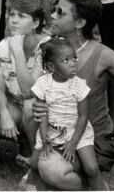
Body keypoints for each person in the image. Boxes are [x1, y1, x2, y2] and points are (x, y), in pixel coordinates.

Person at [0, 0, 48, 165]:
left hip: (47, 109)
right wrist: (4, 115)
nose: (14, 20)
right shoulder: (3, 46)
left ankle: (38, 159)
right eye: (12, 15)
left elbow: (29, 91)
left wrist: (18, 51)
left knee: (29, 105)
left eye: (21, 16)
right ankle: (26, 139)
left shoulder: (47, 47)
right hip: (19, 105)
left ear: (35, 23)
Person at [31, 37, 105, 191]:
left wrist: (73, 143)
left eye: (74, 58)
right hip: (51, 129)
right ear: (51, 66)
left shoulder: (79, 85)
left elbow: (84, 116)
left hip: (77, 130)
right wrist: (45, 141)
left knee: (91, 168)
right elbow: (42, 114)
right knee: (34, 163)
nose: (73, 63)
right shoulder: (43, 84)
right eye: (65, 60)